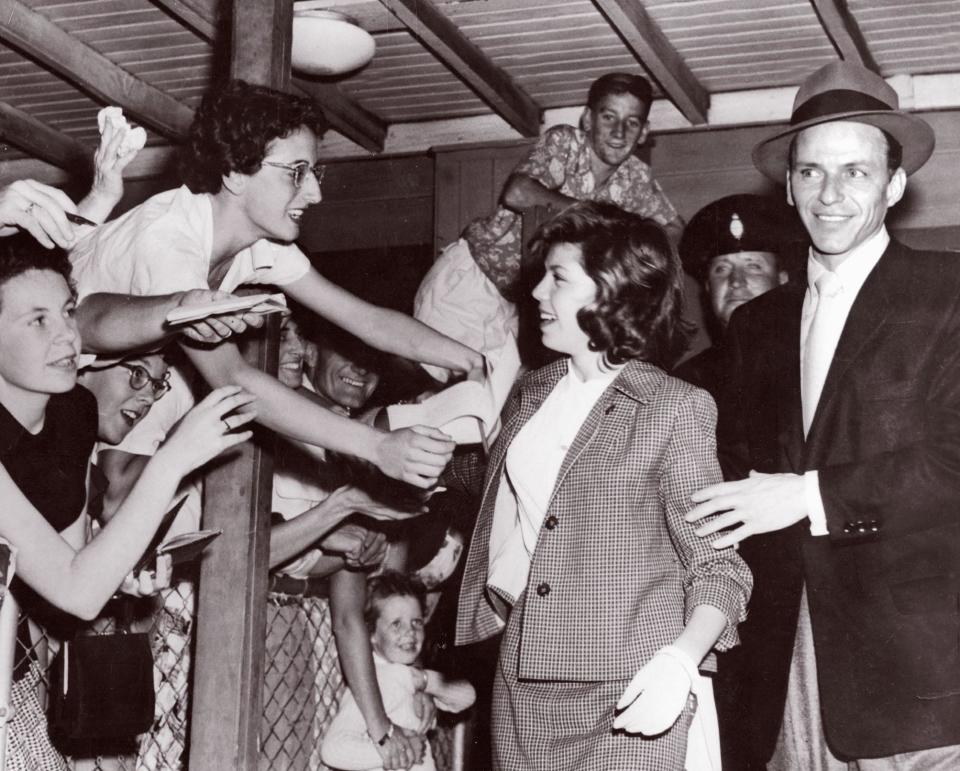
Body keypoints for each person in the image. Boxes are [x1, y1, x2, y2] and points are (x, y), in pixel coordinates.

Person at [685, 60, 960, 769]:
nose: (829, 194)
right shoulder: (756, 325)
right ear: (788, 184)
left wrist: (806, 495)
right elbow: (726, 483)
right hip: (784, 667)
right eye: (811, 172)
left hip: (920, 673)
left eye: (855, 173)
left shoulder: (949, 292)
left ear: (895, 185)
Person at [69, 79, 482, 490]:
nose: (316, 193)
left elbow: (367, 320)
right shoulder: (168, 241)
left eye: (314, 172)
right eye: (296, 173)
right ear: (234, 173)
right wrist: (376, 447)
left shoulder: (257, 244)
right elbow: (234, 379)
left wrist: (468, 359)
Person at [453, 202, 751, 769]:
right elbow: (498, 487)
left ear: (611, 292)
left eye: (557, 278)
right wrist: (414, 448)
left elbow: (717, 567)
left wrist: (681, 662)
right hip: (523, 675)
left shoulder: (673, 407)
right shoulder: (532, 392)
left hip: (631, 686)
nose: (536, 293)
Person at [0, 236, 254, 769]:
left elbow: (73, 569)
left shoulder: (72, 416)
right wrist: (172, 458)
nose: (68, 334)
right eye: (37, 320)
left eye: (67, 312)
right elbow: (75, 591)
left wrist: (120, 566)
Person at [414, 72, 683, 373]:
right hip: (474, 280)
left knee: (491, 402)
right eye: (609, 117)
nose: (619, 132)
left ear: (644, 131)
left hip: (524, 304)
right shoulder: (565, 141)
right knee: (433, 380)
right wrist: (596, 218)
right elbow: (517, 193)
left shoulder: (636, 176)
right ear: (588, 119)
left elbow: (673, 231)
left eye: (631, 122)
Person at [321, 571, 475, 771]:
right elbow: (333, 750)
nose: (410, 632)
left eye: (416, 622)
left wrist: (424, 680)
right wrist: (404, 752)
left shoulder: (404, 674)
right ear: (371, 634)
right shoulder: (382, 679)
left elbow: (467, 696)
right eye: (396, 624)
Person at [674, 194, 803, 399]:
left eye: (753, 267)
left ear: (782, 281)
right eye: (721, 269)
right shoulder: (686, 385)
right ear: (708, 287)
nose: (736, 281)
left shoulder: (813, 366)